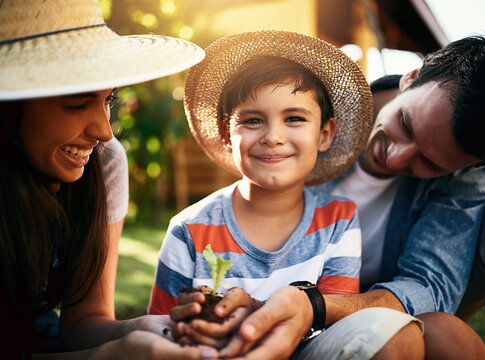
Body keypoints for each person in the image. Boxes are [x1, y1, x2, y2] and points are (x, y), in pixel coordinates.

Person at [171, 33, 485, 359]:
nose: (396, 156)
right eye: (405, 124)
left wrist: (315, 305)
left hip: (378, 296)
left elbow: (429, 286)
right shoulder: (304, 112)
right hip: (282, 288)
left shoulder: (469, 166)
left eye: (429, 162)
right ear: (412, 76)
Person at [0, 0, 221, 358]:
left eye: (108, 99)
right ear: (7, 105)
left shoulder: (104, 164)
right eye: (78, 104)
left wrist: (143, 327)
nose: (104, 132)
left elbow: (83, 325)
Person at [148, 30, 384, 343]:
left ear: (325, 134)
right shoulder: (188, 229)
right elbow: (160, 330)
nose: (273, 137)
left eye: (295, 118)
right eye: (253, 120)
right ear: (226, 134)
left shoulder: (338, 221)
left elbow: (336, 329)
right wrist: (189, 324)